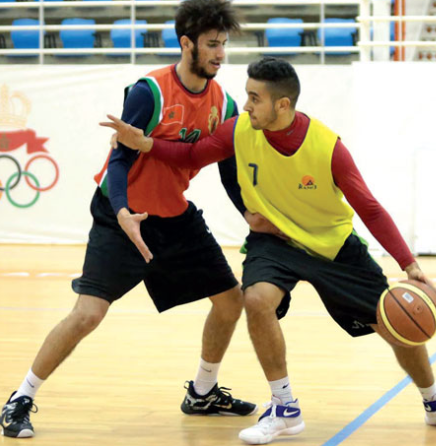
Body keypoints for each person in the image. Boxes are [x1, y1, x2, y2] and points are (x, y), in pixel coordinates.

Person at [101, 57, 436, 445]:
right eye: (247, 95)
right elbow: (192, 156)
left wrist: (409, 264)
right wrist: (144, 142)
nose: (245, 105)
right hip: (273, 240)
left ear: (283, 104)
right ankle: (285, 407)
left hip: (331, 246)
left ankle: (432, 399)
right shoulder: (240, 129)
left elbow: (370, 208)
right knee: (257, 299)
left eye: (254, 98)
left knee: (396, 323)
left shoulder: (328, 147)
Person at [0, 0, 259, 439]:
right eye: (213, 45)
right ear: (187, 44)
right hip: (120, 216)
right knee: (87, 314)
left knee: (231, 301)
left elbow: (228, 170)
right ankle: (20, 398)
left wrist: (249, 215)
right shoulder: (149, 92)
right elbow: (119, 159)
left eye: (223, 45)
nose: (220, 54)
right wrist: (122, 211)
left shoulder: (225, 103)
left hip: (174, 218)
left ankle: (202, 391)